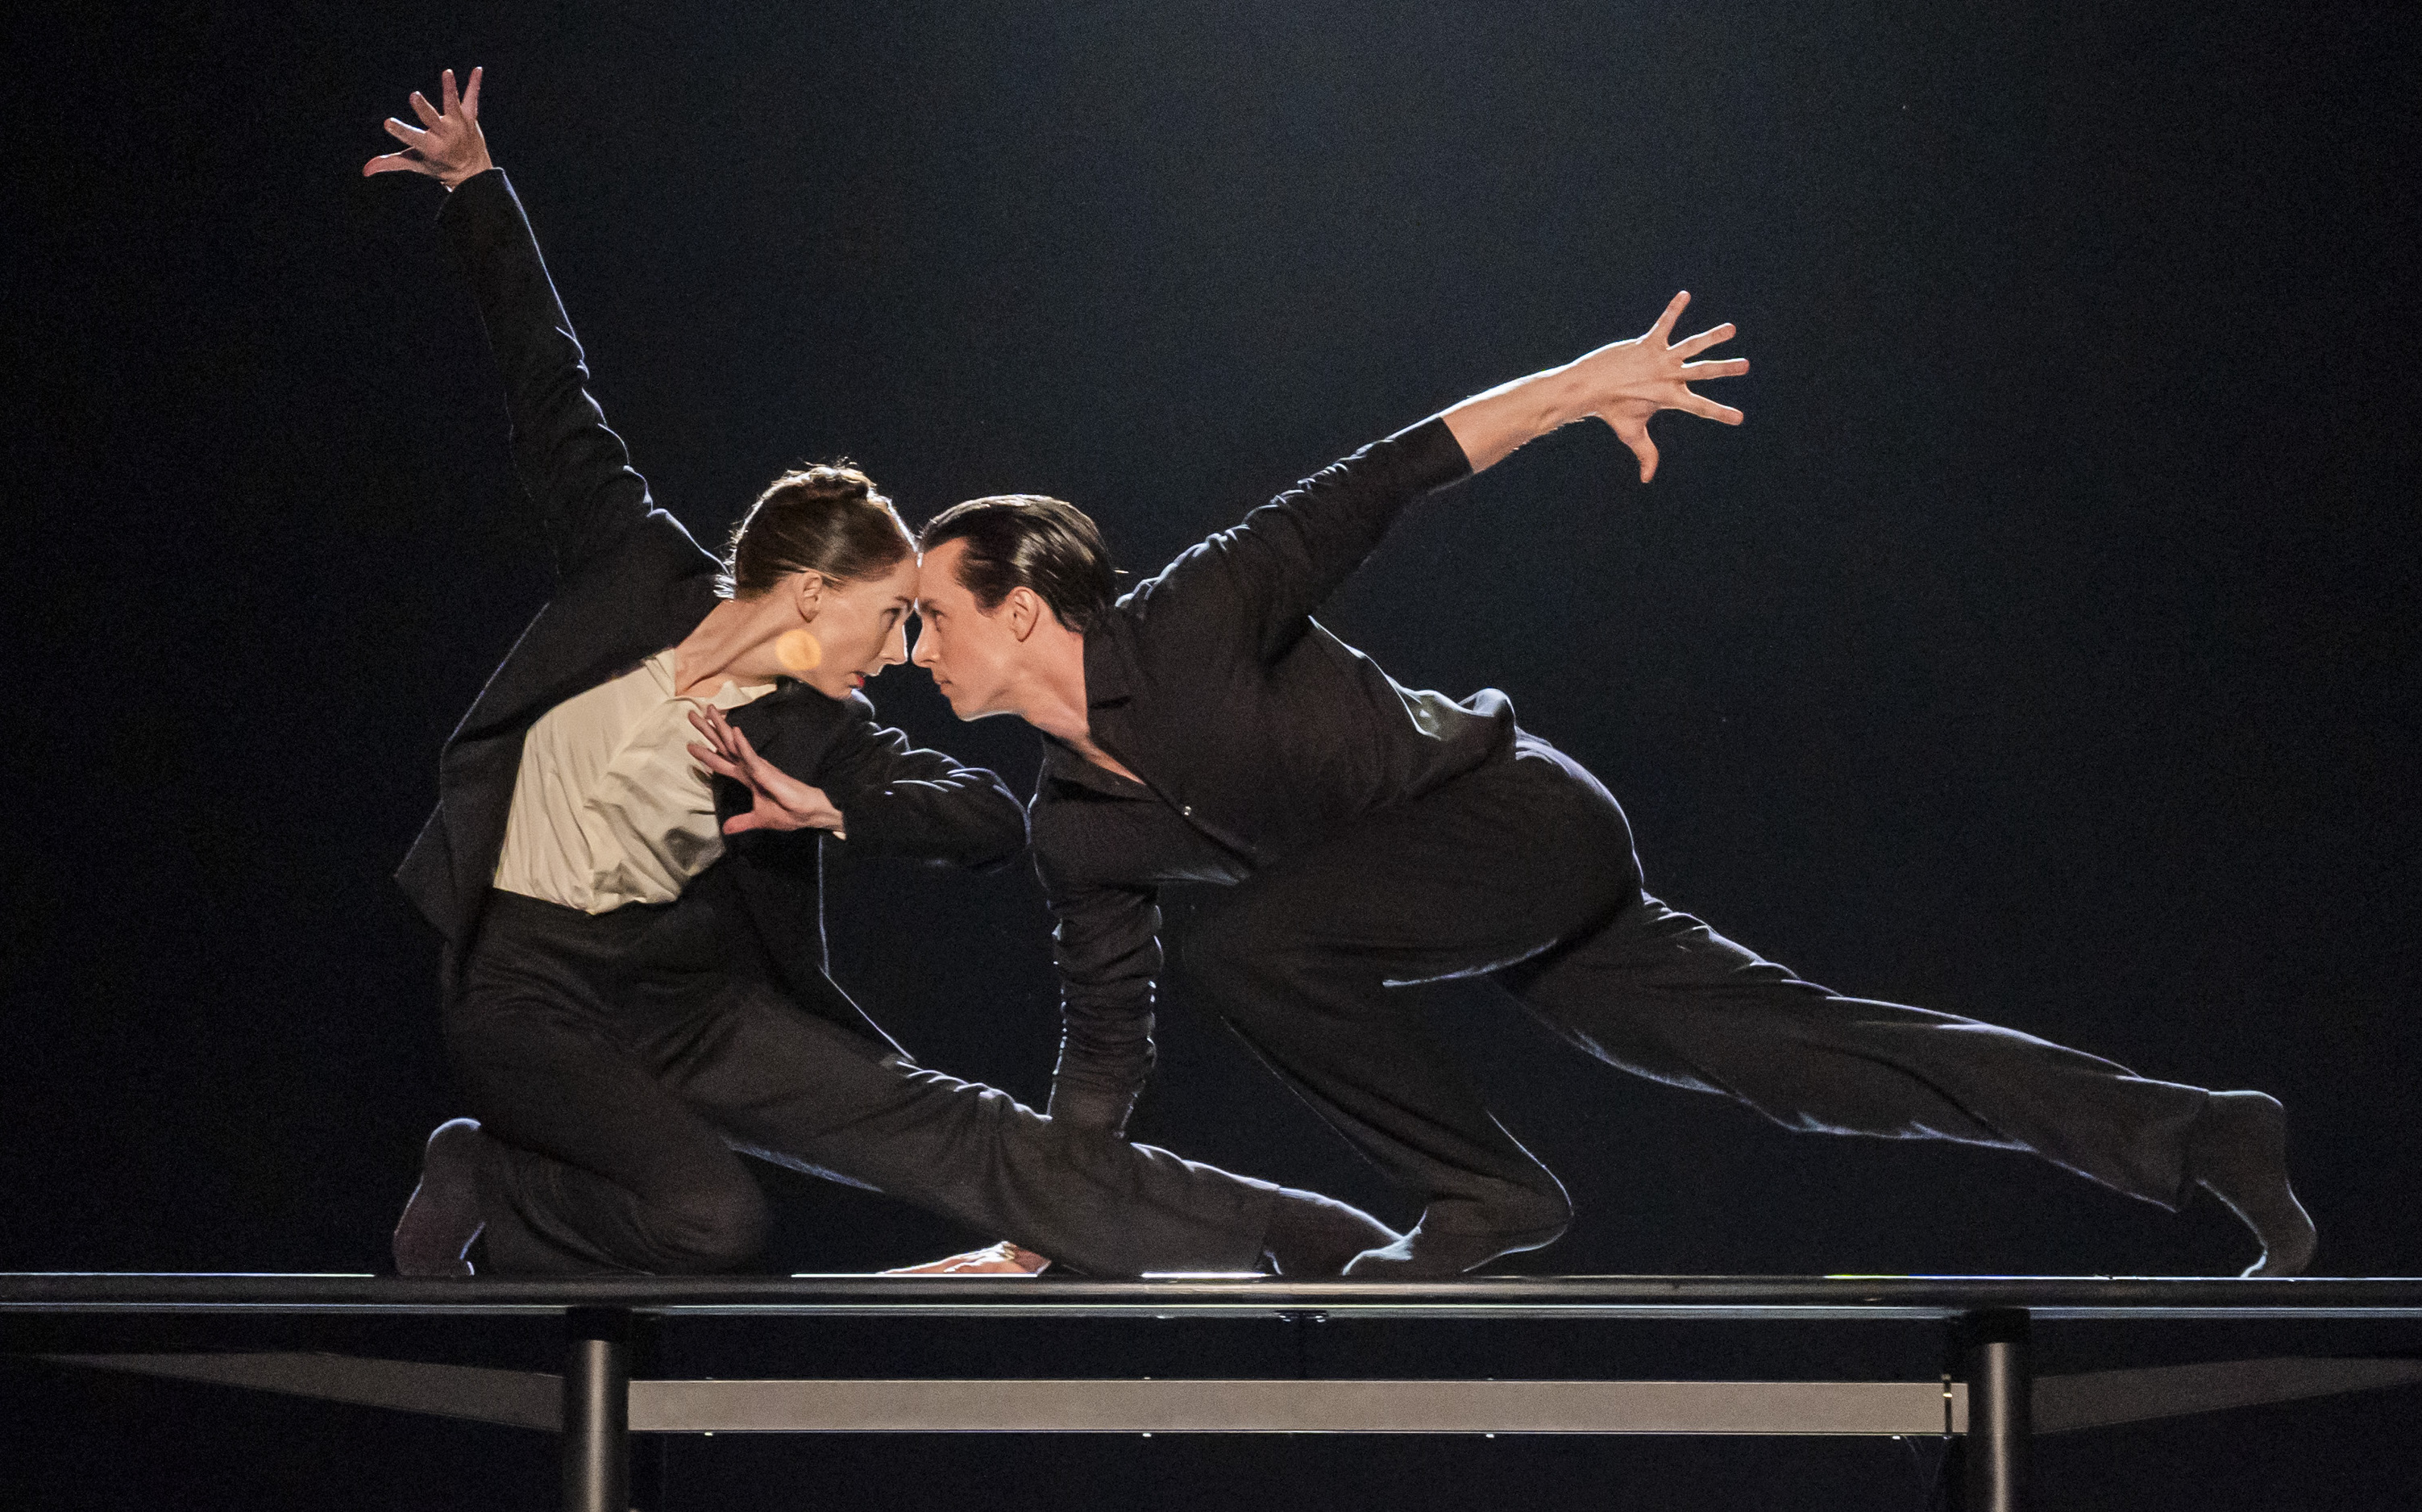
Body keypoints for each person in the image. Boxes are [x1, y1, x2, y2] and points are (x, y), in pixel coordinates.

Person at [896, 294, 2319, 1278]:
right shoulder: (1073, 829)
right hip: (1463, 898)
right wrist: (1043, 1218)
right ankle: (2197, 1131)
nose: (915, 650)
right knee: (1802, 1060)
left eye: (931, 617)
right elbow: (1103, 1043)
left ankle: (1486, 1195)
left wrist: (1581, 388)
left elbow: (1386, 476)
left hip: (1518, 820)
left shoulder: (1195, 613)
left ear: (1024, 609)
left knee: (1248, 941)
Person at [364, 68, 1394, 1277]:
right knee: (714, 1225)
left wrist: (830, 805)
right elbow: (551, 393)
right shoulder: (630, 571)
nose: (909, 647)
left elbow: (982, 820)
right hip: (527, 994)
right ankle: (495, 1172)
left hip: (688, 999)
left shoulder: (818, 728)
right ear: (810, 594)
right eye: (896, 613)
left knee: (958, 1127)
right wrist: (478, 190)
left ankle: (1300, 1235)